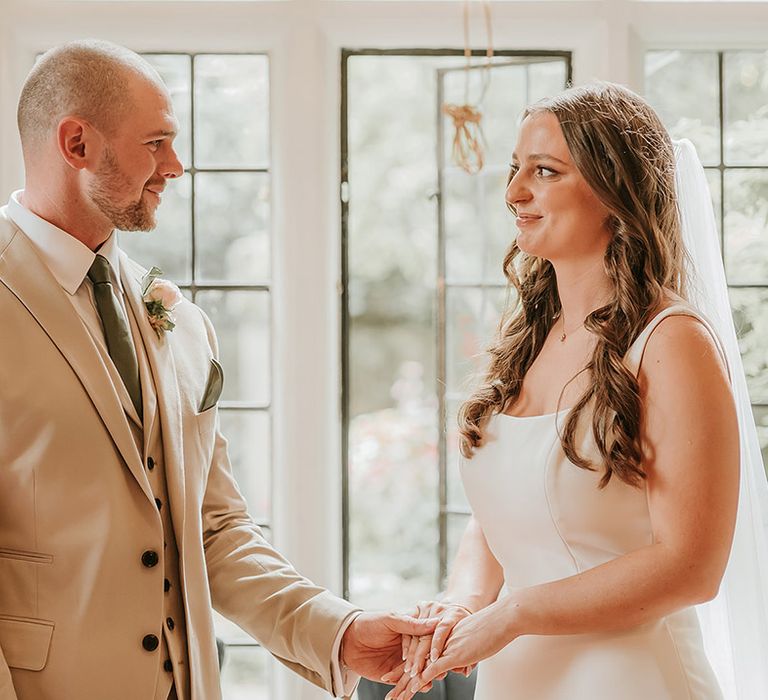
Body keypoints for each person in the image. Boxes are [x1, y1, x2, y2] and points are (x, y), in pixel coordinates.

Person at [0, 39, 438, 700]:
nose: (176, 167)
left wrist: (337, 633)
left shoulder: (176, 318)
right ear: (77, 143)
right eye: (157, 142)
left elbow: (213, 530)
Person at [385, 82, 753, 700]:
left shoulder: (671, 342)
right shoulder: (527, 339)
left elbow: (690, 566)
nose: (514, 193)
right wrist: (461, 602)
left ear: (615, 192)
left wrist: (513, 614)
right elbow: (501, 517)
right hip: (517, 683)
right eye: (514, 170)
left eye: (545, 172)